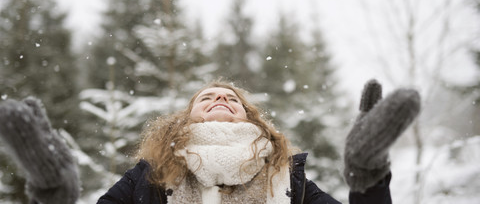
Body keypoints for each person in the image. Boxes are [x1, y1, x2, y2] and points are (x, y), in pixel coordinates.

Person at [96, 79, 421, 204]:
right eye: (207, 97)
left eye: (230, 98)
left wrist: (368, 177)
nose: (220, 98)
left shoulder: (288, 176)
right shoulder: (151, 173)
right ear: (186, 118)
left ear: (250, 118)